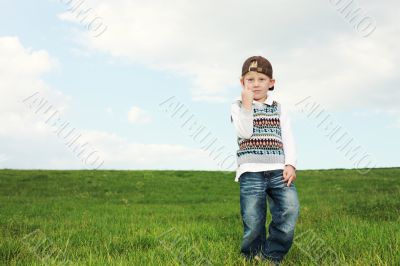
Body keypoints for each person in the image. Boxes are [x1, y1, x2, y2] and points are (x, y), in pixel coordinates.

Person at [230, 55, 300, 265]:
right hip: (251, 171)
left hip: (279, 170)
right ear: (242, 83)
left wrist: (290, 164)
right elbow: (245, 132)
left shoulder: (279, 107)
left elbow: (287, 136)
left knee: (289, 210)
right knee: (253, 219)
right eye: (250, 79)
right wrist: (247, 106)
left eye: (261, 79)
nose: (256, 84)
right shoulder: (237, 106)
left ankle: (272, 255)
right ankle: (252, 256)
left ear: (271, 83)